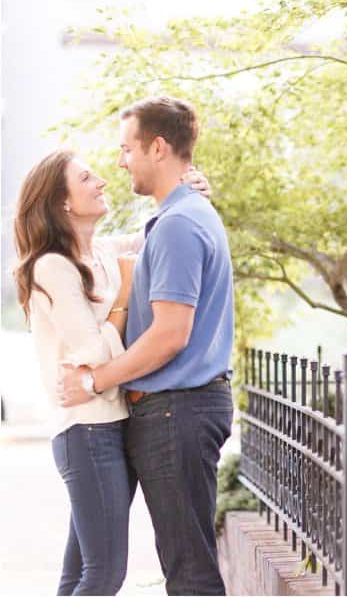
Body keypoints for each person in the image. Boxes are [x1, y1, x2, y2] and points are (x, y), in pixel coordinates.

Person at [58, 96, 236, 596]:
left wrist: (95, 380)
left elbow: (169, 335)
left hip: (175, 412)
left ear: (158, 147)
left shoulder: (180, 223)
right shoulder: (175, 218)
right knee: (155, 564)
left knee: (190, 575)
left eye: (126, 149)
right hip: (167, 412)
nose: (120, 162)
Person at [12, 149, 210, 595]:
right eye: (87, 178)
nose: (102, 182)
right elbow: (90, 352)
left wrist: (186, 192)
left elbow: (151, 236)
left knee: (79, 574)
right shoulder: (53, 266)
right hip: (86, 431)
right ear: (62, 201)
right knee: (103, 575)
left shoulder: (100, 249)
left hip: (108, 425)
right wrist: (122, 300)